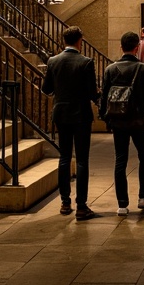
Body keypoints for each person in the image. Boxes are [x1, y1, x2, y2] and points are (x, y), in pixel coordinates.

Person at [42, 25, 99, 220]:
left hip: (61, 113)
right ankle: (81, 205)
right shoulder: (86, 62)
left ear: (63, 40)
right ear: (79, 41)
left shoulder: (53, 61)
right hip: (81, 114)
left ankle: (65, 202)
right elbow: (92, 93)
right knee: (82, 159)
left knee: (64, 157)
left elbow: (46, 89)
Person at [100, 31, 144, 217]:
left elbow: (104, 97)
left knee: (120, 159)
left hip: (118, 121)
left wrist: (106, 118)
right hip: (139, 120)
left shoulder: (110, 69)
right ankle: (143, 197)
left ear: (121, 47)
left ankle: (122, 205)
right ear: (137, 47)